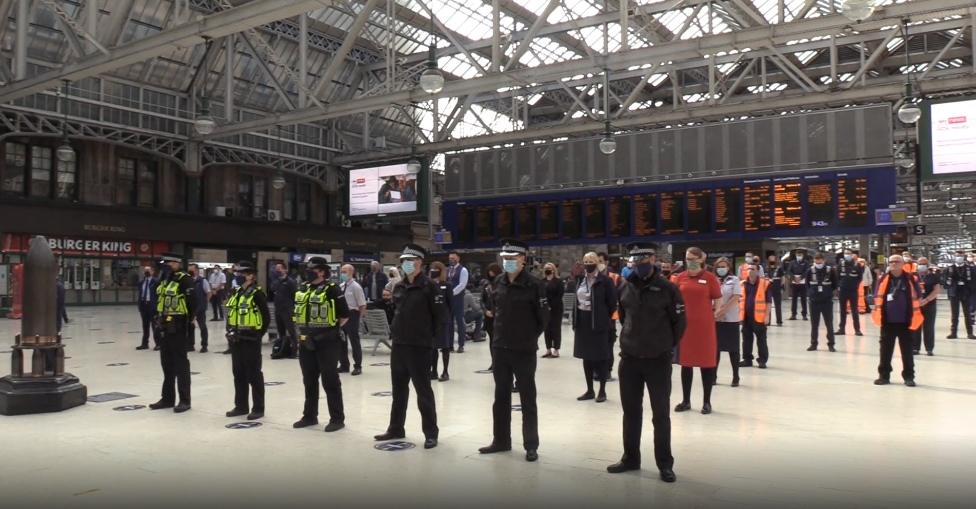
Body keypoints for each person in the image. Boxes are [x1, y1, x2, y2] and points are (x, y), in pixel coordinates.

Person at [608, 243, 685, 482]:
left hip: (657, 361)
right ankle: (630, 458)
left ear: (653, 259)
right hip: (629, 360)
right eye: (635, 260)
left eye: (644, 260)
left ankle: (664, 463)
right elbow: (622, 316)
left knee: (660, 414)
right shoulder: (625, 286)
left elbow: (679, 324)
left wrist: (664, 348)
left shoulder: (668, 289)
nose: (639, 264)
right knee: (631, 412)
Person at [478, 239, 548, 463]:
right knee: (500, 396)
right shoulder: (498, 282)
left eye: (512, 258)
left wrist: (527, 337)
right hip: (500, 348)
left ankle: (531, 444)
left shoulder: (535, 285)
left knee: (527, 397)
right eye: (505, 258)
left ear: (523, 260)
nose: (508, 261)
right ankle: (501, 440)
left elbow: (543, 319)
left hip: (524, 349)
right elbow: (494, 309)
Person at [375, 244, 443, 449]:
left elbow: (440, 318)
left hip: (420, 347)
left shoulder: (430, 286)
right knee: (398, 390)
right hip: (399, 345)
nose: (406, 264)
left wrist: (431, 342)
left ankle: (431, 433)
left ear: (420, 263)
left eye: (410, 260)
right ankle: (396, 428)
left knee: (423, 392)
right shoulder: (400, 286)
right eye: (404, 260)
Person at [292, 257, 350, 432]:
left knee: (330, 379)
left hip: (327, 342)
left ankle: (337, 418)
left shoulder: (332, 289)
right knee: (309, 380)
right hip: (305, 341)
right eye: (307, 268)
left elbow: (345, 315)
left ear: (322, 271)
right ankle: (310, 416)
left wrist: (329, 331)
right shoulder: (303, 288)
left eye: (312, 269)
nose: (308, 271)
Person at [672, 247, 721, 414]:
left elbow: (718, 299)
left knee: (706, 365)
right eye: (687, 258)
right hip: (685, 328)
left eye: (693, 258)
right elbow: (673, 300)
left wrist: (716, 314)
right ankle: (686, 401)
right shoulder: (680, 278)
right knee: (686, 364)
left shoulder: (710, 278)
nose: (690, 261)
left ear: (701, 259)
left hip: (705, 328)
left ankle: (706, 402)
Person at [149, 252, 196, 413]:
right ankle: (167, 399)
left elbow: (193, 303)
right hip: (164, 325)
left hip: (179, 325)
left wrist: (189, 322)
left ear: (177, 263)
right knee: (166, 363)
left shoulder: (185, 279)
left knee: (181, 364)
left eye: (169, 263)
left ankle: (184, 400)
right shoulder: (165, 279)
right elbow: (158, 297)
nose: (166, 266)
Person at [224, 261, 270, 420]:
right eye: (237, 273)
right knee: (238, 373)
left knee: (254, 374)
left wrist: (258, 335)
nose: (238, 276)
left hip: (251, 339)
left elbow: (266, 317)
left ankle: (258, 408)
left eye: (242, 273)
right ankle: (241, 406)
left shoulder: (257, 293)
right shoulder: (235, 292)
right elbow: (231, 314)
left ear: (251, 276)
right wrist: (229, 330)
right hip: (236, 339)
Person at [572, 252, 617, 402]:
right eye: (585, 261)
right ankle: (590, 390)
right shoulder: (580, 280)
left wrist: (607, 320)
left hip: (599, 323)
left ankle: (602, 390)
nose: (588, 263)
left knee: (601, 357)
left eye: (591, 261)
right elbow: (576, 302)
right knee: (587, 357)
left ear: (597, 263)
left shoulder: (606, 281)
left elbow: (612, 304)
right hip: (583, 322)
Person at [872, 255, 922, 387]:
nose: (894, 264)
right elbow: (877, 296)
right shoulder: (883, 279)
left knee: (907, 352)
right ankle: (884, 376)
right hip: (887, 321)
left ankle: (909, 377)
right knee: (885, 351)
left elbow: (918, 295)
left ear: (902, 264)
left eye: (897, 261)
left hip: (906, 321)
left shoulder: (910, 279)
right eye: (891, 262)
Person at [711, 258, 741, 387]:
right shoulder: (712, 279)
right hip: (716, 319)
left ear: (728, 267)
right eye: (719, 266)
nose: (721, 269)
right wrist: (715, 311)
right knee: (715, 349)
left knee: (733, 349)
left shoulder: (734, 280)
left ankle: (735, 376)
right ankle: (713, 376)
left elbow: (736, 297)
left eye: (724, 266)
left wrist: (723, 310)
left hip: (731, 319)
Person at [804, 253, 838, 352]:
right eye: (816, 261)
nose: (818, 263)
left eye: (819, 261)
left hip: (827, 302)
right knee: (814, 324)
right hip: (814, 302)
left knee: (829, 324)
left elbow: (835, 284)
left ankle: (831, 344)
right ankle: (813, 344)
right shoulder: (810, 271)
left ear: (824, 260)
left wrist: (828, 293)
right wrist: (811, 294)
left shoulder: (830, 270)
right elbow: (807, 285)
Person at [740, 262, 772, 369]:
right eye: (748, 269)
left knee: (761, 340)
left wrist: (767, 316)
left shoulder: (764, 284)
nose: (750, 271)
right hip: (746, 317)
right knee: (746, 339)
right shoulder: (743, 283)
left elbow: (768, 302)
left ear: (758, 271)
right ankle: (747, 359)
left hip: (759, 317)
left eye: (753, 269)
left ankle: (762, 360)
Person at [598, 252, 623, 381]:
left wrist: (614, 317)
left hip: (610, 317)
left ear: (606, 262)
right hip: (596, 317)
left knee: (608, 344)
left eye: (600, 261)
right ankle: (598, 371)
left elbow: (620, 297)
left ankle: (607, 371)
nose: (598, 263)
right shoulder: (592, 277)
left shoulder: (615, 277)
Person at [339, 264, 367, 376]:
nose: (342, 274)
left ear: (351, 272)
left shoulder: (356, 287)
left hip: (353, 315)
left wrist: (360, 319)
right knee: (341, 341)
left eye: (345, 271)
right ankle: (344, 365)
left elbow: (362, 304)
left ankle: (358, 366)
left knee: (354, 342)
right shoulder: (341, 286)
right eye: (342, 271)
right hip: (342, 315)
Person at [428, 261, 453, 382]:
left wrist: (447, 317)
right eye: (432, 269)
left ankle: (445, 372)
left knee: (445, 347)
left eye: (436, 269)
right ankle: (434, 371)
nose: (434, 271)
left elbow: (450, 304)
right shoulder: (428, 285)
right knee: (433, 348)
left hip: (443, 320)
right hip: (432, 321)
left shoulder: (446, 285)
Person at [943, 250, 976, 339]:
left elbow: (974, 282)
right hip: (954, 294)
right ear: (955, 257)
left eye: (961, 256)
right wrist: (950, 284)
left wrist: (969, 289)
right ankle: (953, 333)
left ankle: (970, 333)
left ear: (964, 257)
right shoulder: (949, 269)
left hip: (966, 294)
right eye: (957, 256)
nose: (959, 257)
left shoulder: (970, 269)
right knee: (954, 314)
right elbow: (945, 283)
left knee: (967, 314)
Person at [270, 262, 298, 359]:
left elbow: (295, 294)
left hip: (288, 310)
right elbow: (272, 288)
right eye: (276, 269)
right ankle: (282, 349)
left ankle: (294, 351)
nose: (277, 271)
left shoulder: (290, 281)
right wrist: (278, 280)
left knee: (291, 331)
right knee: (281, 331)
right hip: (278, 309)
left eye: (279, 269)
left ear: (285, 270)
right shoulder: (276, 281)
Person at [835, 249, 865, 337]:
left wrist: (855, 285)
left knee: (854, 310)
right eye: (845, 253)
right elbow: (837, 277)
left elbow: (860, 277)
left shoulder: (857, 265)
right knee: (842, 310)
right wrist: (839, 286)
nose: (847, 255)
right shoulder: (841, 264)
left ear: (852, 255)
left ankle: (857, 330)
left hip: (853, 290)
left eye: (848, 253)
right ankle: (841, 329)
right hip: (843, 290)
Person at [914, 258, 940, 356]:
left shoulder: (933, 276)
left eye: (924, 264)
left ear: (928, 265)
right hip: (916, 305)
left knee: (929, 327)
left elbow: (936, 290)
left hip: (930, 305)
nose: (921, 265)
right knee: (916, 327)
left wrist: (926, 300)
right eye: (920, 264)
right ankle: (915, 348)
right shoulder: (914, 276)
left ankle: (929, 348)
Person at [447, 252, 469, 353]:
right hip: (449, 300)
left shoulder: (463, 270)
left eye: (453, 258)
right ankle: (450, 345)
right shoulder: (448, 270)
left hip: (458, 299)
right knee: (449, 323)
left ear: (458, 258)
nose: (451, 259)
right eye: (450, 258)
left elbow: (462, 285)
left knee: (460, 322)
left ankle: (461, 345)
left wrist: (451, 293)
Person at [187, 263, 212, 353]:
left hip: (200, 308)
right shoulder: (187, 280)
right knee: (190, 327)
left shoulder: (202, 281)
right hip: (190, 308)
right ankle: (190, 345)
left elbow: (209, 293)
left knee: (202, 327)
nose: (190, 271)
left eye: (192, 270)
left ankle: (204, 345)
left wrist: (205, 303)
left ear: (196, 270)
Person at [481, 263, 501, 371]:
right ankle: (493, 361)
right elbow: (482, 300)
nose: (491, 274)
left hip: (498, 316)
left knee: (498, 340)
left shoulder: (501, 284)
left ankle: (499, 362)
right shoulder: (486, 285)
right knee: (491, 340)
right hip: (488, 316)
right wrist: (485, 311)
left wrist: (495, 311)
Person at [541, 262, 564, 358]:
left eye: (549, 268)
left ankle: (556, 349)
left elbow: (560, 295)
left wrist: (551, 306)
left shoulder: (558, 281)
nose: (547, 269)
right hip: (545, 309)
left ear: (553, 269)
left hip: (556, 308)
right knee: (547, 329)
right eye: (546, 268)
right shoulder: (542, 281)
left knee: (556, 329)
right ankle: (548, 349)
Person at [136, 267, 160, 351]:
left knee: (154, 325)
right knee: (145, 325)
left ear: (152, 272)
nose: (146, 272)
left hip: (152, 305)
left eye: (148, 270)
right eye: (145, 271)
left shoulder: (156, 282)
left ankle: (158, 344)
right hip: (144, 305)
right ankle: (144, 343)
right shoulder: (141, 282)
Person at [788, 249, 810, 320]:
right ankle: (793, 314)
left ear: (803, 256)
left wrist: (801, 277)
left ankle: (804, 315)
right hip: (794, 282)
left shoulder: (806, 262)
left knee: (803, 299)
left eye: (800, 255)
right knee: (794, 299)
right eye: (798, 255)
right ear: (795, 255)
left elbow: (807, 271)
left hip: (803, 282)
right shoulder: (792, 262)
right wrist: (794, 278)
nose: (799, 256)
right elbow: (789, 271)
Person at [766, 255, 785, 326]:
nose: (772, 260)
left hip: (777, 288)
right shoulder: (767, 268)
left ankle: (779, 321)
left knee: (778, 305)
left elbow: (783, 278)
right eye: (770, 258)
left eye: (773, 258)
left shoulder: (779, 268)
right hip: (769, 288)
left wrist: (782, 287)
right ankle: (768, 321)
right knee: (768, 305)